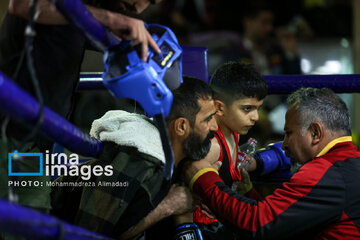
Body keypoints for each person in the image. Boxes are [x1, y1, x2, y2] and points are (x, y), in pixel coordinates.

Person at [0, 0, 160, 213]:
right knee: (31, 221)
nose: (137, 9)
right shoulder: (78, 9)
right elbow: (21, 5)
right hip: (12, 134)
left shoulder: (86, 11)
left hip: (34, 138)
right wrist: (111, 19)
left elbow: (111, 40)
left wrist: (129, 43)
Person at [51, 76, 218, 239]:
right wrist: (167, 206)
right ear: (181, 126)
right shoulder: (136, 163)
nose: (215, 127)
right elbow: (88, 234)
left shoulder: (176, 155)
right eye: (208, 119)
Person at [184, 87, 360, 239]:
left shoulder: (325, 172)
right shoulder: (351, 163)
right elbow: (289, 224)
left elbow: (257, 224)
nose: (284, 144)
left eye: (289, 133)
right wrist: (248, 195)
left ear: (315, 133)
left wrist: (201, 176)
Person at [193, 61, 266, 239]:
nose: (255, 117)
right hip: (205, 229)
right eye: (247, 109)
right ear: (219, 108)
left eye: (258, 109)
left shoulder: (234, 134)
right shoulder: (212, 147)